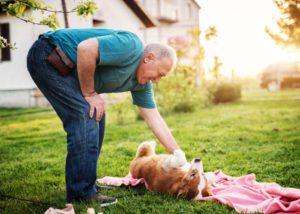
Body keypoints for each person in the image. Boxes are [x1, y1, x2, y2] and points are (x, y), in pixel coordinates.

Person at [26, 28, 180, 205]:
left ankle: (86, 185)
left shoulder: (141, 85)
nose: (158, 80)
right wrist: (90, 93)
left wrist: (177, 154)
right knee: (88, 113)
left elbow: (155, 119)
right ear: (149, 57)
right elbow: (85, 49)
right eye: (160, 73)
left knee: (96, 115)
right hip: (49, 54)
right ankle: (81, 194)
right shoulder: (132, 46)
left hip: (66, 68)